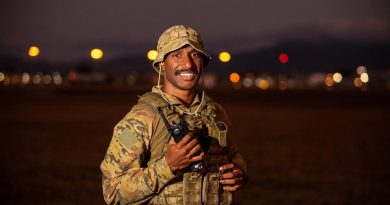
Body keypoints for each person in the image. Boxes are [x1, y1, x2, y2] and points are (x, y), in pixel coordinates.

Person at [100, 25, 247, 205]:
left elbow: (233, 155)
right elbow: (112, 192)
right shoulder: (142, 117)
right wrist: (167, 166)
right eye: (177, 55)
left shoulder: (214, 112)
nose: (188, 64)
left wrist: (239, 173)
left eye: (195, 54)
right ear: (162, 64)